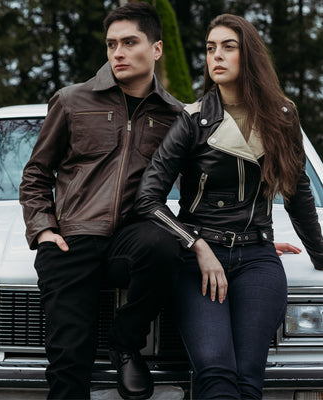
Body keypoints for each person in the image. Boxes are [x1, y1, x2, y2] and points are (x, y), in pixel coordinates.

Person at [133, 13, 323, 400]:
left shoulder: (282, 115)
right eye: (209, 48)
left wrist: (320, 255)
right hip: (200, 259)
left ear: (248, 55)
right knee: (216, 374)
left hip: (258, 257)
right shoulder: (192, 120)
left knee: (248, 379)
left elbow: (298, 193)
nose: (215, 56)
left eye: (228, 47)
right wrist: (196, 245)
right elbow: (147, 199)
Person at [19, 3, 184, 399]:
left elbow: (203, 188)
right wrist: (43, 229)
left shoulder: (175, 115)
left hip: (133, 235)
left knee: (165, 245)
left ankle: (125, 341)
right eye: (112, 44)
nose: (118, 53)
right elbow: (36, 174)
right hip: (72, 237)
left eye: (130, 42)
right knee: (69, 359)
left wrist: (247, 236)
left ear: (157, 49)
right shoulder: (72, 100)